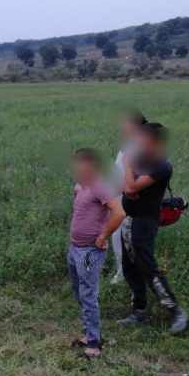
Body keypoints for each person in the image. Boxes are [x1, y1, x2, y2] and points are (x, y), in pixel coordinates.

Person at [117, 122, 189, 334]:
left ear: (155, 142)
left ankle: (176, 311)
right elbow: (127, 190)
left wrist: (127, 166)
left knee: (147, 266)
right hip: (129, 219)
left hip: (145, 221)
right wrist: (131, 184)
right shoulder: (141, 158)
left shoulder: (161, 165)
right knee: (130, 267)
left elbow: (130, 187)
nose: (138, 143)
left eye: (143, 140)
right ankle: (138, 312)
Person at [68, 148, 126, 358]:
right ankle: (87, 333)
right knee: (79, 291)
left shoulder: (99, 186)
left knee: (88, 294)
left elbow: (119, 212)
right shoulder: (79, 186)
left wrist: (103, 236)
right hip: (74, 248)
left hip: (90, 251)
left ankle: (93, 344)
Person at [110, 111, 146, 284]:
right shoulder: (129, 144)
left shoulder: (144, 146)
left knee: (129, 236)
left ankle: (130, 273)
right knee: (119, 234)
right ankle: (123, 269)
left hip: (133, 197)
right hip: (120, 195)